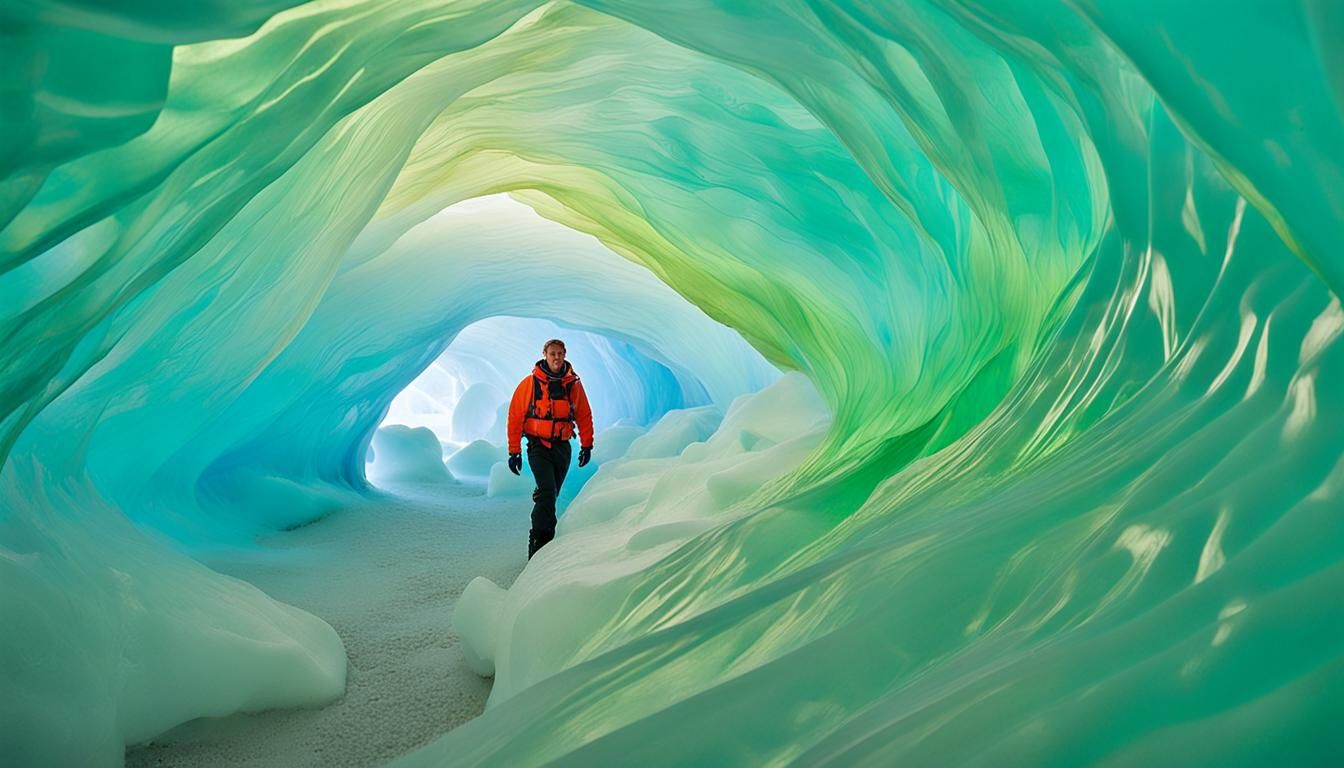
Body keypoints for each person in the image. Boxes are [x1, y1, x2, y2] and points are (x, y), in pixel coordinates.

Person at [506, 339, 594, 558]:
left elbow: (584, 414)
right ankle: (539, 543)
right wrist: (514, 451)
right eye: (552, 353)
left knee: (551, 495)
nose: (556, 357)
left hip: (562, 448)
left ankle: (544, 538)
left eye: (560, 353)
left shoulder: (572, 385)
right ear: (544, 354)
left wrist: (586, 445)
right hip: (538, 447)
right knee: (547, 493)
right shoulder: (530, 384)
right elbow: (515, 417)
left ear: (565, 355)